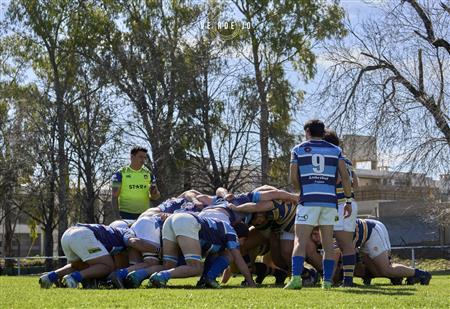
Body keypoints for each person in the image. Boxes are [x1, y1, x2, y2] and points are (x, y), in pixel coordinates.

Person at [285, 119, 352, 290]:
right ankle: (327, 282)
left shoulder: (298, 150)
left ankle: (296, 279)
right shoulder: (336, 150)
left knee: (300, 240)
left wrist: (301, 190)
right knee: (328, 243)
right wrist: (348, 200)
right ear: (323, 133)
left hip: (308, 200)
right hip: (329, 202)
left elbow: (293, 178)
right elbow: (345, 177)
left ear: (307, 132)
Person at [148, 212, 256, 288]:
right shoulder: (232, 234)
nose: (241, 244)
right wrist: (251, 283)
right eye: (243, 241)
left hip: (172, 220)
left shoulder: (220, 232)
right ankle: (160, 276)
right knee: (196, 268)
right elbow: (238, 259)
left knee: (168, 266)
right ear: (242, 238)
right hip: (187, 222)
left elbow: (213, 253)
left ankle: (136, 275)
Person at [323, 129, 359, 287]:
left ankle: (329, 280)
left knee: (332, 244)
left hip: (338, 205)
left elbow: (337, 179)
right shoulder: (347, 160)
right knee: (347, 244)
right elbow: (356, 183)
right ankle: (348, 280)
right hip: (349, 203)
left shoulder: (333, 159)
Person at [354, 219, 431, 285]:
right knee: (372, 270)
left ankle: (421, 274)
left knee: (386, 269)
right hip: (363, 235)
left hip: (371, 230)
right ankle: (396, 276)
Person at [111, 146, 160, 220]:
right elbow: (114, 197)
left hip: (144, 215)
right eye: (140, 157)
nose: (143, 160)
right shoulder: (120, 173)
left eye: (144, 157)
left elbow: (155, 197)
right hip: (125, 215)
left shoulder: (149, 174)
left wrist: (155, 193)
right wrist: (117, 217)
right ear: (132, 157)